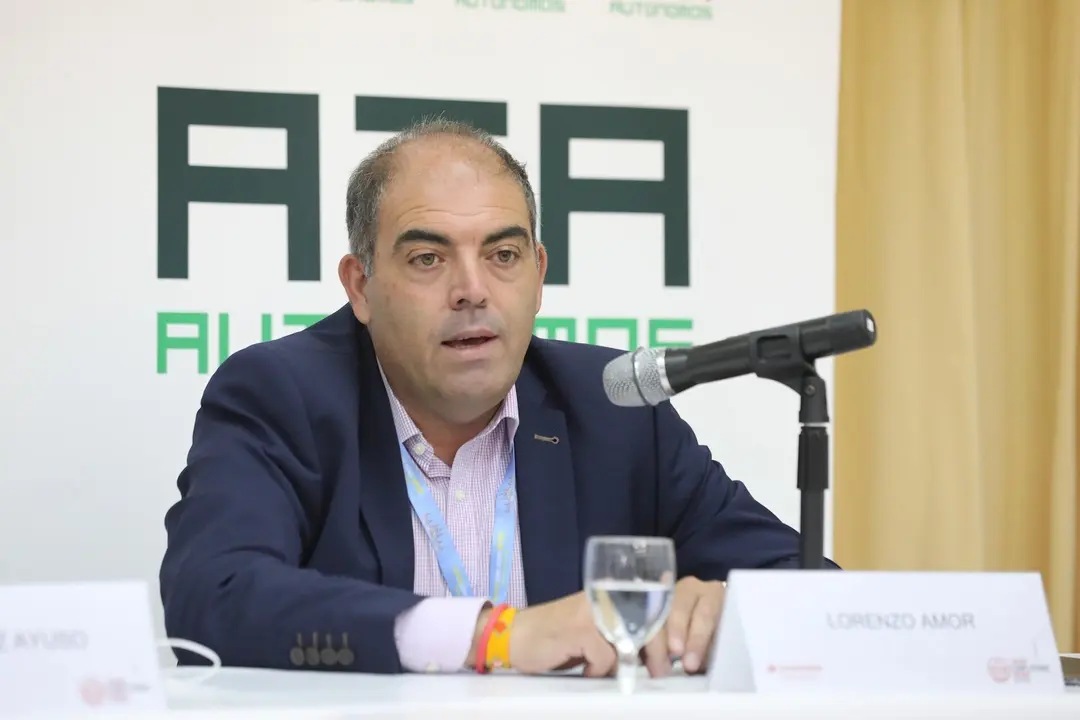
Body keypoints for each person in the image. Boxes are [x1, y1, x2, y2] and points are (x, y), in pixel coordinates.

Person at [159, 118, 833, 678]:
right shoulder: (283, 396)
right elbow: (212, 596)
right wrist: (495, 636)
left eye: (503, 255)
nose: (472, 289)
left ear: (538, 276)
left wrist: (728, 609)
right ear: (360, 286)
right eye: (428, 259)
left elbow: (824, 597)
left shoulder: (614, 410)